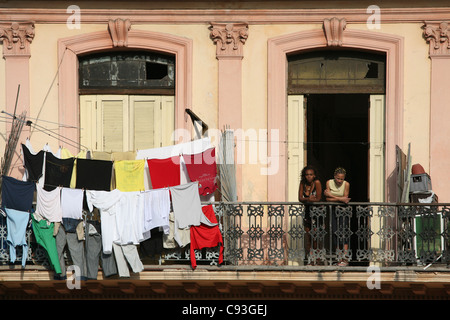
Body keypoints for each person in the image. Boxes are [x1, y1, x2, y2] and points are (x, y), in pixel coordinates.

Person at [324, 167, 351, 266]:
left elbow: (346, 197)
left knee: (344, 233)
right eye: (338, 178)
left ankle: (345, 258)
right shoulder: (329, 182)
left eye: (341, 179)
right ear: (334, 176)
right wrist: (340, 199)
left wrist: (332, 196)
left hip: (344, 211)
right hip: (333, 210)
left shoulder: (346, 184)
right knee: (335, 233)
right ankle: (339, 258)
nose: (339, 181)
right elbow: (327, 199)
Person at [298, 165, 323, 265]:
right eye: (307, 174)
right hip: (308, 211)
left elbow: (318, 198)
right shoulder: (302, 183)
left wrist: (307, 199)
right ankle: (310, 259)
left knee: (315, 236)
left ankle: (317, 259)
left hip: (317, 212)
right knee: (308, 236)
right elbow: (300, 198)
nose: (309, 176)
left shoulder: (317, 183)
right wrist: (309, 199)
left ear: (314, 175)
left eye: (311, 175)